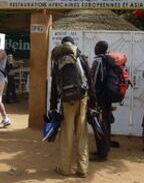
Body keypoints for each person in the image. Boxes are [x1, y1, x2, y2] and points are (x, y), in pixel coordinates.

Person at [49, 36, 97, 178]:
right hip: (82, 99)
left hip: (66, 102)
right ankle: (82, 169)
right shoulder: (81, 58)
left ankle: (64, 169)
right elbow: (90, 80)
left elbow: (54, 87)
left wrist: (53, 106)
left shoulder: (57, 61)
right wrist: (93, 102)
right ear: (73, 45)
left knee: (66, 136)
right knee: (82, 135)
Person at [90, 40, 117, 161]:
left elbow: (93, 81)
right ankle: (106, 148)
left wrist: (92, 97)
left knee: (99, 124)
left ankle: (102, 154)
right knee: (105, 123)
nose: (94, 48)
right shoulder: (108, 60)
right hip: (107, 97)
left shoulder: (98, 61)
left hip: (99, 98)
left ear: (99, 48)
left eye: (96, 46)